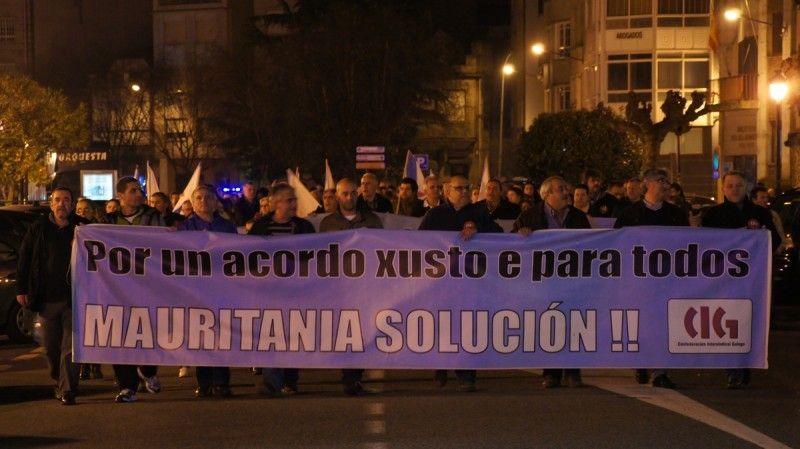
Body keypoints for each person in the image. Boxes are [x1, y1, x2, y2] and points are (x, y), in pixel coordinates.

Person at [419, 175, 502, 392]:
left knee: (466, 327)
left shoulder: (479, 213)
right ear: (447, 192)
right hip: (441, 283)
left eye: (467, 187)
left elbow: (501, 238)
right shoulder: (434, 215)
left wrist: (479, 233)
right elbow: (417, 244)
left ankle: (466, 374)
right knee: (442, 326)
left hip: (469, 284)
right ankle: (441, 368)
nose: (464, 191)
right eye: (459, 188)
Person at [702, 172, 780, 389]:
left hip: (753, 278)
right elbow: (704, 244)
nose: (734, 189)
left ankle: (745, 363)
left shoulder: (760, 214)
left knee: (749, 321)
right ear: (723, 188)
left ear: (746, 187)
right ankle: (734, 368)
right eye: (730, 186)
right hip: (724, 278)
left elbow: (773, 240)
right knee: (728, 320)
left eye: (738, 185)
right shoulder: (714, 215)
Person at [513, 176, 590, 387]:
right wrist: (521, 235)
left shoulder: (578, 217)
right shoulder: (528, 217)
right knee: (550, 324)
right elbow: (510, 246)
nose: (566, 192)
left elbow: (592, 244)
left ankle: (573, 371)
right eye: (560, 189)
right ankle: (551, 372)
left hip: (573, 279)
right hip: (543, 281)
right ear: (546, 195)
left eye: (565, 188)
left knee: (574, 322)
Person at [615, 168, 688, 389]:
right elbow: (617, 244)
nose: (666, 185)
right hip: (638, 280)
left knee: (664, 323)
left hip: (668, 279)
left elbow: (687, 243)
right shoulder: (629, 214)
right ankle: (640, 361)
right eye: (660, 180)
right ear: (647, 184)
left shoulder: (676, 214)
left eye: (667, 181)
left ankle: (660, 370)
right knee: (641, 322)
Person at [16, 187, 89, 405]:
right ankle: (59, 380)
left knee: (70, 346)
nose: (62, 204)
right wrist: (22, 288)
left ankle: (67, 389)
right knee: (50, 347)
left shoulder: (82, 228)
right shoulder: (38, 228)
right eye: (57, 200)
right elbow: (25, 258)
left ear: (73, 204)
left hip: (73, 297)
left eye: (67, 200)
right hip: (46, 298)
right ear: (51, 203)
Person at [99, 177, 165, 403]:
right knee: (119, 336)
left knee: (147, 332)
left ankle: (148, 370)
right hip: (117, 288)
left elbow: (164, 247)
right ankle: (127, 386)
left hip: (148, 287)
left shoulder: (152, 217)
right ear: (121, 196)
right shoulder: (107, 220)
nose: (139, 194)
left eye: (140, 190)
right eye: (133, 190)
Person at [249, 184, 316, 397]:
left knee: (292, 334)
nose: (294, 204)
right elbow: (248, 257)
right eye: (289, 200)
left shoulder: (304, 227)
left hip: (296, 291)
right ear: (276, 203)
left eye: (294, 199)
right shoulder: (260, 228)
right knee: (273, 334)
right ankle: (271, 382)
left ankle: (290, 379)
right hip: (268, 293)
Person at [320, 179, 383, 395]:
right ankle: (349, 375)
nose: (349, 197)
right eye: (345, 194)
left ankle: (353, 376)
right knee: (344, 331)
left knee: (361, 331)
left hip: (364, 287)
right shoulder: (327, 223)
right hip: (338, 287)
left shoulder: (372, 221)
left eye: (353, 193)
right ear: (337, 196)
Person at [177, 185, 236, 397]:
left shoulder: (227, 227)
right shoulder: (185, 227)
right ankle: (203, 382)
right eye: (199, 198)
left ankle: (221, 382)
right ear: (192, 203)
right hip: (197, 289)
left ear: (215, 202)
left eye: (208, 197)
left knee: (220, 335)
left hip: (221, 287)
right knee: (200, 335)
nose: (203, 201)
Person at [751, 186, 789, 253]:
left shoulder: (772, 214)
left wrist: (778, 249)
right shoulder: (748, 214)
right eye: (762, 197)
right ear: (754, 200)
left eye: (767, 197)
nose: (766, 200)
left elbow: (780, 234)